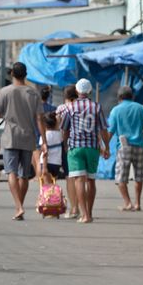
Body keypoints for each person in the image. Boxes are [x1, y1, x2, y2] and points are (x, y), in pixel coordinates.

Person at [0, 62, 47, 221]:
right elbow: (40, 118)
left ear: (12, 74)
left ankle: (18, 206)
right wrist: (44, 141)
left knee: (11, 172)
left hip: (11, 137)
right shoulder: (33, 93)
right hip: (28, 138)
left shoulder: (4, 92)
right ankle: (20, 205)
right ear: (25, 74)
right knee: (24, 175)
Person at [60, 79, 110, 224]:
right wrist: (106, 147)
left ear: (76, 91)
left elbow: (65, 129)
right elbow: (103, 129)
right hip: (92, 147)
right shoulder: (97, 107)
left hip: (75, 147)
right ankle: (90, 213)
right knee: (91, 180)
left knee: (79, 180)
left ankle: (84, 215)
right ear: (89, 92)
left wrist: (65, 145)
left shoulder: (70, 107)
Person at [108, 86, 143, 212]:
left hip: (124, 147)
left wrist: (105, 147)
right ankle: (137, 203)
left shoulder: (116, 110)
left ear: (119, 97)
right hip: (140, 146)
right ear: (131, 96)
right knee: (139, 176)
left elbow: (110, 131)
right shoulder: (141, 108)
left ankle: (128, 203)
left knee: (121, 177)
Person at [56, 84, 79, 219]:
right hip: (83, 143)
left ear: (65, 96)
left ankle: (74, 208)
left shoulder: (61, 109)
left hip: (67, 144)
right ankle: (83, 208)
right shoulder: (84, 107)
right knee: (83, 177)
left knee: (70, 176)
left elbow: (61, 129)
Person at [40, 112, 63, 178]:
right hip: (57, 163)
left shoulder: (44, 136)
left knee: (47, 186)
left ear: (44, 125)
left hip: (46, 163)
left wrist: (44, 167)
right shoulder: (59, 135)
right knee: (53, 185)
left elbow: (45, 152)